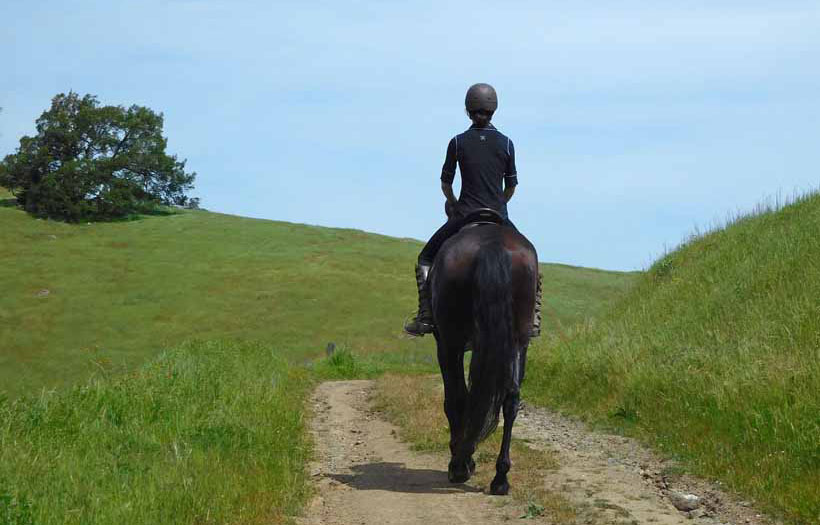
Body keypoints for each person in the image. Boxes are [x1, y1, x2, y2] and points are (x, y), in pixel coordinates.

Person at [404, 83, 541, 337]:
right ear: (494, 110)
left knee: (425, 258)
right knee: (529, 255)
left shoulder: (456, 142)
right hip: (498, 215)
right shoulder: (507, 144)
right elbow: (511, 186)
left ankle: (425, 315)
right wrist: (500, 203)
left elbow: (446, 184)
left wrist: (454, 203)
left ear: (468, 110)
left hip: (464, 214)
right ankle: (532, 317)